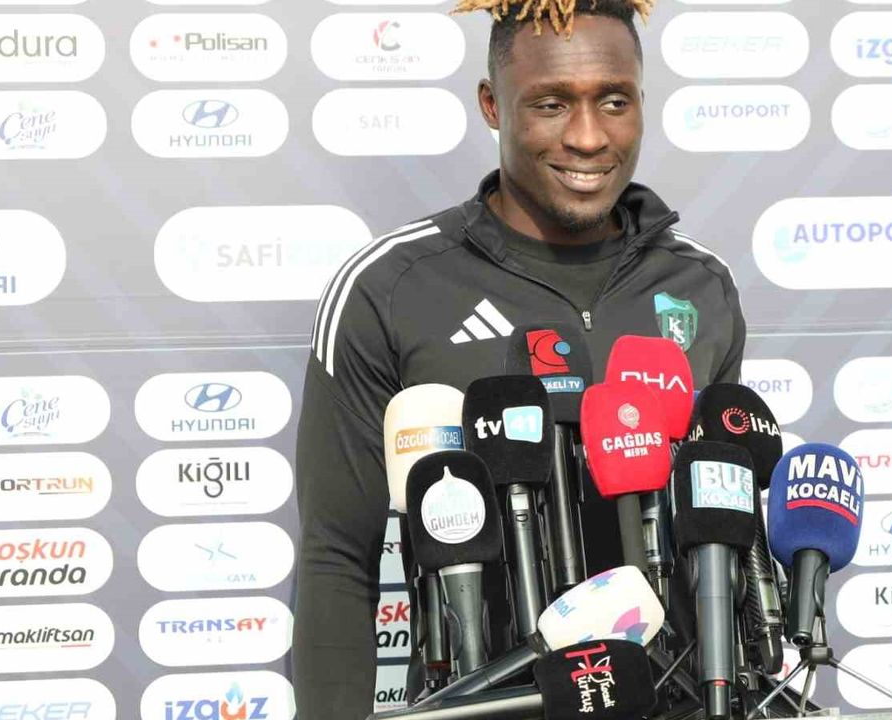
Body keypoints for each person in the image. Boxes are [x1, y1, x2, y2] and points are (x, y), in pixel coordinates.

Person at [290, 0, 746, 714]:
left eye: (614, 101)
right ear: (492, 106)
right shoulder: (391, 288)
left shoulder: (701, 285)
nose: (588, 137)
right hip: (481, 704)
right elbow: (336, 559)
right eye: (551, 104)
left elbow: (719, 531)